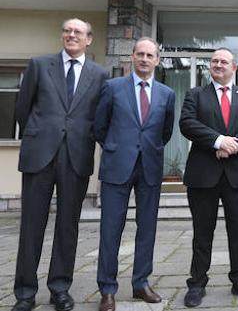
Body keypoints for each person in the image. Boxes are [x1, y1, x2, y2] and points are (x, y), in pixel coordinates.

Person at [12, 18, 107, 311]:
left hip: (75, 158)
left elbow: (98, 118)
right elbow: (22, 109)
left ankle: (60, 288)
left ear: (89, 39)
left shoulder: (99, 74)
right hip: (39, 155)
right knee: (31, 225)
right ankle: (25, 292)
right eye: (67, 31)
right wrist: (42, 135)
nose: (71, 35)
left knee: (68, 227)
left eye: (78, 32)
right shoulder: (39, 65)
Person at [94, 37, 176, 311]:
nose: (144, 59)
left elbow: (165, 132)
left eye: (149, 55)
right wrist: (118, 148)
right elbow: (99, 126)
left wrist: (145, 150)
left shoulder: (167, 93)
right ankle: (107, 290)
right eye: (139, 54)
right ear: (132, 57)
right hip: (117, 167)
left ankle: (141, 283)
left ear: (157, 60)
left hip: (149, 168)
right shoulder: (112, 87)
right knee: (110, 229)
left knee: (147, 229)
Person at [179, 48, 238, 306]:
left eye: (223, 61)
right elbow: (187, 123)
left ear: (234, 67)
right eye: (214, 61)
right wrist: (218, 141)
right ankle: (197, 282)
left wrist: (234, 145)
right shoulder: (195, 94)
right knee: (202, 232)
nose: (218, 64)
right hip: (203, 175)